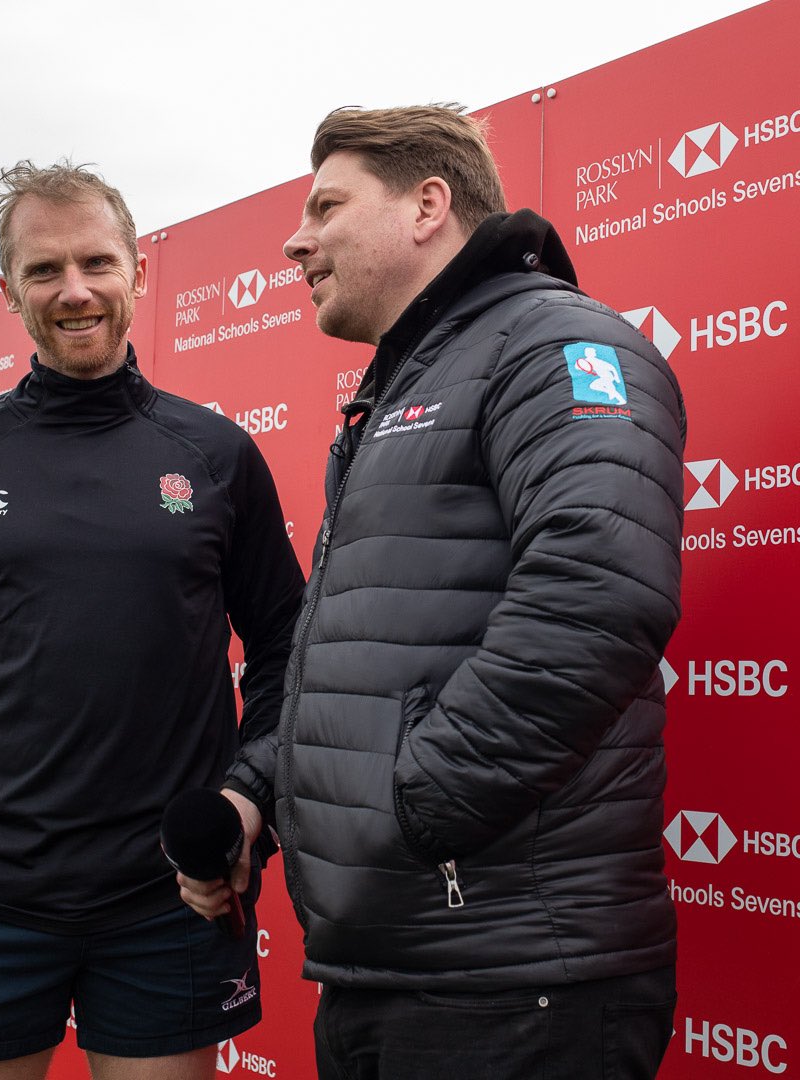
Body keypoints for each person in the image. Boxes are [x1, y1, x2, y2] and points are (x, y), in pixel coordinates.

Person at [179, 105, 685, 1079]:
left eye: (327, 205)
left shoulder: (553, 347)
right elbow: (367, 674)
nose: (295, 240)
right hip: (396, 967)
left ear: (427, 205)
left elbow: (601, 592)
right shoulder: (403, 389)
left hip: (510, 982)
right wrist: (257, 794)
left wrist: (412, 814)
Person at [0, 160, 304, 1080]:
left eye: (96, 261)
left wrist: (249, 807)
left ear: (138, 270)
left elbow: (287, 651)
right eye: (44, 270)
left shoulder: (215, 454)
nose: (75, 290)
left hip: (168, 899)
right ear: (12, 294)